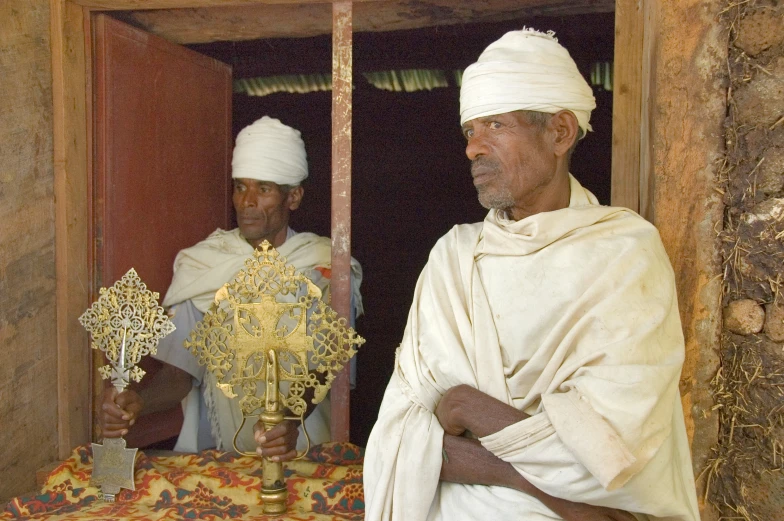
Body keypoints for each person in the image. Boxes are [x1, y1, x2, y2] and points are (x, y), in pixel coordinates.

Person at [363, 29, 700, 521]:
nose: (473, 149)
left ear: (560, 132)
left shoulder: (624, 254)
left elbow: (615, 454)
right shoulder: (453, 258)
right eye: (469, 131)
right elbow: (404, 439)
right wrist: (539, 486)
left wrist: (468, 408)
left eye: (495, 125)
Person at [100, 116, 363, 462]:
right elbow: (181, 374)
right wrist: (139, 402)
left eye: (264, 189)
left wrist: (289, 419)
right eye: (240, 187)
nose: (247, 201)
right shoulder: (205, 266)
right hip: (225, 455)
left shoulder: (321, 267)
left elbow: (330, 366)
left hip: (304, 450)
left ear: (293, 197)